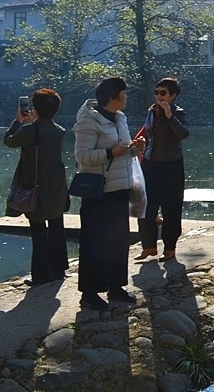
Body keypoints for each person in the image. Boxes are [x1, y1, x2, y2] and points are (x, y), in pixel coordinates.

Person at [74, 77, 145, 310]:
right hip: (99, 192)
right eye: (124, 93)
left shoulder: (120, 117)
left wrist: (135, 148)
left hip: (120, 188)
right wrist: (109, 152)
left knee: (118, 241)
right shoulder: (88, 120)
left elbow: (122, 151)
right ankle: (90, 293)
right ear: (113, 97)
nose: (126, 97)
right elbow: (82, 157)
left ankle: (116, 286)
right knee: (95, 243)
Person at [3, 88, 68, 287]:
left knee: (38, 230)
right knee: (57, 227)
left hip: (36, 188)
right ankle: (59, 269)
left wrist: (18, 121)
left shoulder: (29, 130)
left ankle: (41, 275)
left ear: (35, 108)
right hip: (57, 188)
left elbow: (8, 141)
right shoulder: (59, 131)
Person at [136, 77, 189, 262]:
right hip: (150, 165)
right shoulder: (152, 111)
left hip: (171, 166)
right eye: (157, 92)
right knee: (144, 207)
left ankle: (170, 247)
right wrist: (142, 143)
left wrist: (169, 115)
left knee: (171, 209)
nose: (159, 96)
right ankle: (149, 246)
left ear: (173, 95)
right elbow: (149, 135)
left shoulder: (178, 113)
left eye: (163, 93)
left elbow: (183, 134)